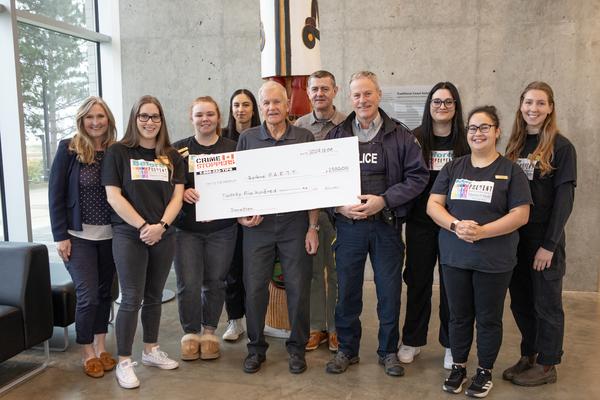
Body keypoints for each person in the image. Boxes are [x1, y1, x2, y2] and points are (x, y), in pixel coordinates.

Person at [324, 71, 429, 377]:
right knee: (348, 293)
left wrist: (384, 200)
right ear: (350, 98)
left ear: (379, 95)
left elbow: (418, 177)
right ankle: (347, 349)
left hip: (386, 225)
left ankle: (388, 351)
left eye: (368, 94)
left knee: (389, 291)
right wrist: (339, 206)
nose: (362, 100)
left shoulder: (401, 135)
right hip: (349, 227)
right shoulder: (337, 135)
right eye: (357, 95)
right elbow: (323, 181)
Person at [427, 105, 531, 398]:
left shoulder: (510, 171)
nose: (478, 133)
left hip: (494, 260)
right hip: (454, 257)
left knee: (488, 318)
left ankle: (484, 371)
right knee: (458, 316)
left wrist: (483, 231)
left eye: (485, 127)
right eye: (473, 127)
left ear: (497, 132)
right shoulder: (454, 168)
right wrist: (456, 225)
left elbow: (521, 215)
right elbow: (433, 205)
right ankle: (458, 366)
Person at [102, 95, 185, 389]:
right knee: (132, 296)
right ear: (134, 119)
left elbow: (177, 197)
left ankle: (150, 350)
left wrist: (161, 226)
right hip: (129, 234)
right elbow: (114, 196)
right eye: (144, 116)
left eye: (155, 117)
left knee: (154, 295)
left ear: (162, 121)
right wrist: (143, 226)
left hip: (163, 234)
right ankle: (124, 360)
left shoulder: (172, 156)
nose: (150, 122)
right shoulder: (118, 152)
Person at [236, 80, 319, 374]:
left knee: (298, 287)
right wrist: (241, 216)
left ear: (288, 105)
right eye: (266, 103)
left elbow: (313, 186)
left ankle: (297, 348)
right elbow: (239, 185)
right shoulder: (247, 139)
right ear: (261, 108)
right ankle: (256, 348)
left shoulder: (304, 137)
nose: (272, 108)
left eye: (277, 102)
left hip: (295, 224)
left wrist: (312, 227)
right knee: (255, 288)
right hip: (257, 227)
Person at [502, 82, 577, 386]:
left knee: (546, 304)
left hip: (544, 242)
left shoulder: (562, 147)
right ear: (521, 105)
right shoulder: (514, 146)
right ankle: (529, 354)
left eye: (540, 103)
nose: (533, 109)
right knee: (520, 301)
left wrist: (549, 245)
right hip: (516, 240)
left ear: (550, 108)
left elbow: (564, 201)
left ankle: (547, 364)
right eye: (528, 102)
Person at [398, 82, 469, 369]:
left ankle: (452, 344)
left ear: (456, 106)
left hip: (454, 226)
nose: (442, 107)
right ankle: (412, 340)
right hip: (420, 224)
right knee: (417, 282)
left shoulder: (466, 140)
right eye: (437, 102)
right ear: (429, 106)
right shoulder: (414, 139)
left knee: (453, 287)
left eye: (448, 102)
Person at [49, 96, 117, 378]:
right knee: (87, 296)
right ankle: (87, 350)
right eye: (90, 117)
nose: (95, 122)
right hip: (78, 237)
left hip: (113, 236)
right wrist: (60, 235)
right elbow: (56, 193)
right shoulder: (69, 149)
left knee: (104, 294)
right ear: (81, 120)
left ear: (108, 120)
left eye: (100, 116)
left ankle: (101, 347)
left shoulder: (116, 150)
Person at [172, 96, 238, 360]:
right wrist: (183, 191)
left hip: (223, 230)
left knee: (216, 282)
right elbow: (167, 187)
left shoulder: (233, 148)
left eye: (210, 114)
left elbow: (240, 186)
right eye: (199, 115)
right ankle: (190, 333)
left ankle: (209, 331)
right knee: (188, 283)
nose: (205, 119)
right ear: (191, 118)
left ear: (218, 117)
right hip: (187, 229)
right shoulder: (177, 151)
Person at [295, 70, 346, 352]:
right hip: (310, 212)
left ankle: (337, 327)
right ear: (308, 92)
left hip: (341, 210)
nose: (319, 94)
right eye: (314, 89)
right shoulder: (300, 127)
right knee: (313, 271)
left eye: (325, 88)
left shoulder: (349, 123)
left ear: (335, 90)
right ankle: (316, 327)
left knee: (338, 272)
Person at [220, 89, 261, 342]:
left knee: (257, 271)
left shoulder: (261, 135)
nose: (241, 109)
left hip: (258, 215)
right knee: (232, 270)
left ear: (253, 109)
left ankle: (260, 319)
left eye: (246, 105)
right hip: (231, 216)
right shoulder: (222, 138)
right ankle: (235, 321)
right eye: (236, 105)